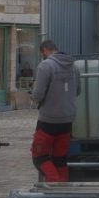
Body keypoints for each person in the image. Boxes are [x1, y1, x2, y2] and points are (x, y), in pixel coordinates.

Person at [30, 39, 79, 182]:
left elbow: (38, 94)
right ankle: (63, 190)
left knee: (38, 156)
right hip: (67, 120)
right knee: (59, 157)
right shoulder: (73, 66)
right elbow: (78, 90)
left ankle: (55, 183)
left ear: (45, 50)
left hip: (48, 120)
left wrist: (32, 98)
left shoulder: (45, 66)